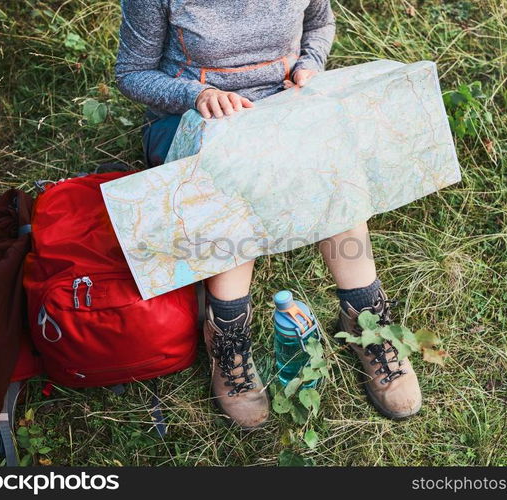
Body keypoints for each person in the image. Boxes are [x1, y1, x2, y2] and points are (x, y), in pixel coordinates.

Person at [115, 0, 422, 429]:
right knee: (234, 177)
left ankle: (367, 319)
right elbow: (131, 73)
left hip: (282, 107)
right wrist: (198, 95)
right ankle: (228, 338)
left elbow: (318, 24)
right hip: (189, 121)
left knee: (330, 166)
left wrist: (308, 66)